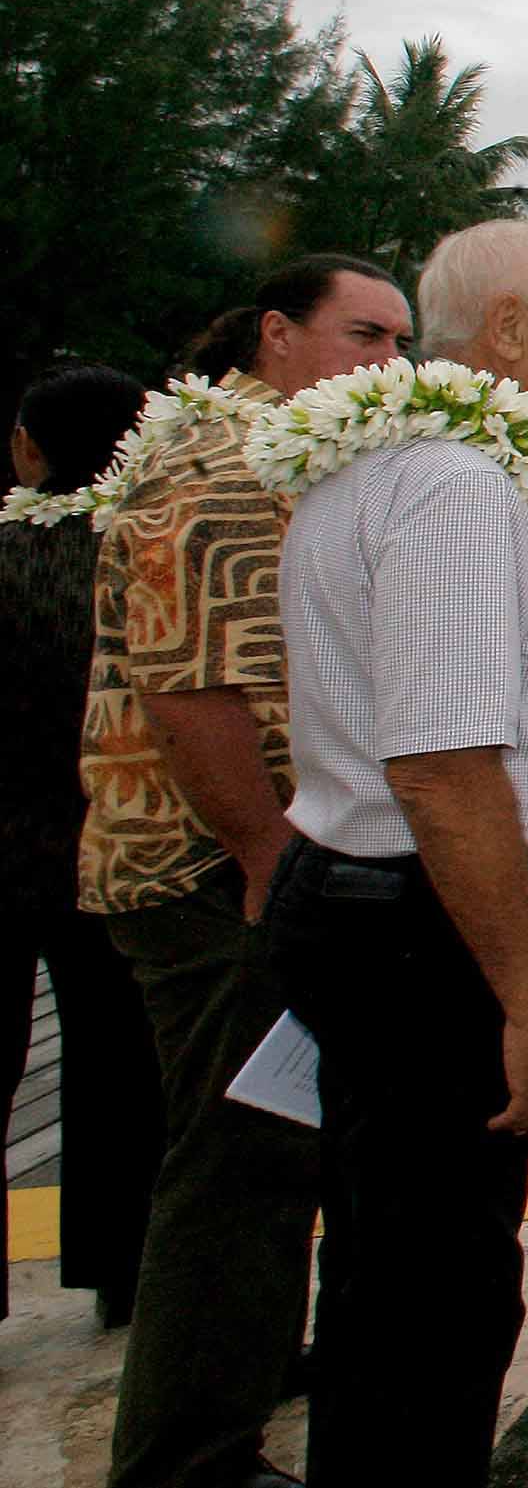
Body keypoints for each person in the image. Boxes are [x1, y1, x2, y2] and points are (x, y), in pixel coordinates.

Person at [267, 220, 528, 1487]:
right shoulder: (460, 489)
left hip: (367, 896)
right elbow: (442, 765)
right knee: (444, 1290)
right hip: (421, 918)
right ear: (507, 332)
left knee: (383, 1261)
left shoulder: (373, 463)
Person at [80, 257, 412, 1488]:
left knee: (277, 1153)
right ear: (278, 336)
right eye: (363, 337)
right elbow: (191, 692)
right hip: (210, 868)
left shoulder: (284, 457)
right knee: (239, 1168)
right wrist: (272, 864)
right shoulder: (221, 468)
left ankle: (246, 1368)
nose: (388, 365)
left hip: (249, 858)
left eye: (399, 342)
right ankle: (189, 1458)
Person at [0, 364, 164, 1337]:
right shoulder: (147, 553)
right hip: (118, 843)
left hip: (5, 846)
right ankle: (125, 1269)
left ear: (29, 448)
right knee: (124, 1066)